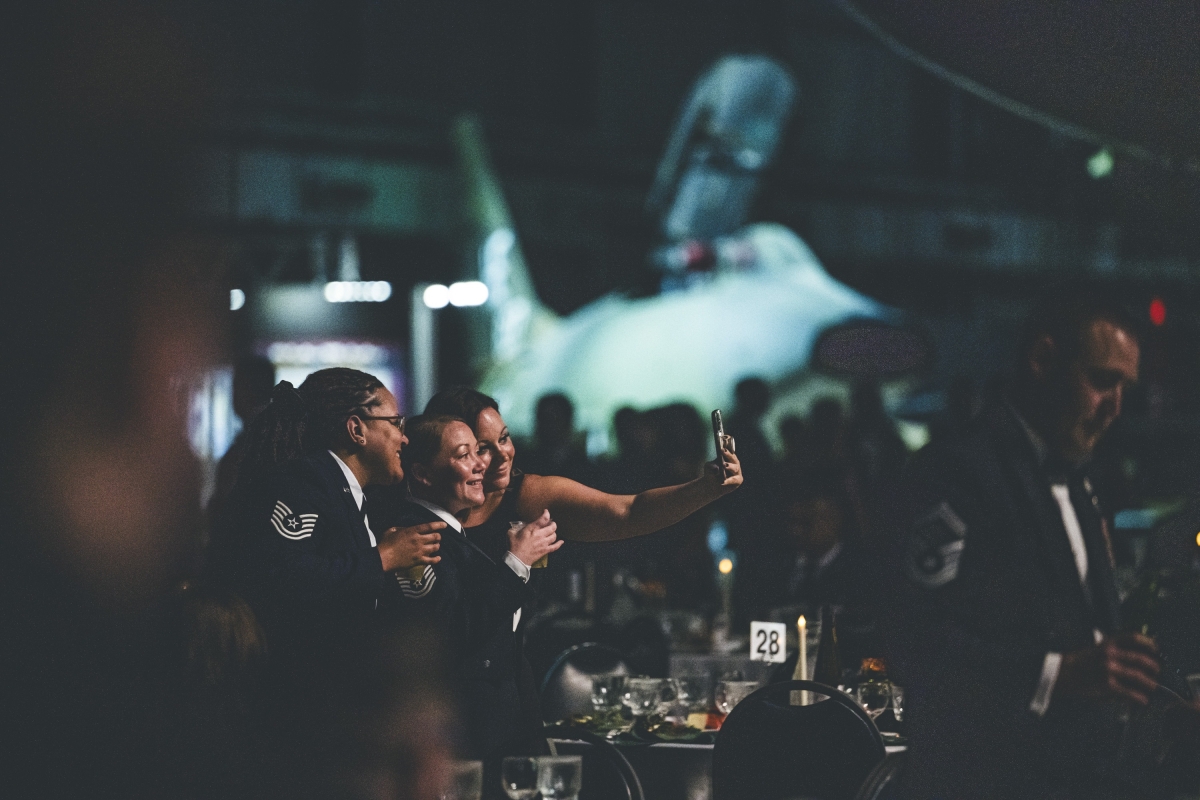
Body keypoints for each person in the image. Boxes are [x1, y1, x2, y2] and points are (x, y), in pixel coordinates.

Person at [882, 288, 1185, 799]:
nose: (1114, 407)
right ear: (1044, 360)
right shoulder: (955, 473)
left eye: (1124, 390)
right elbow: (913, 639)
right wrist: (1053, 674)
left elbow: (1079, 634)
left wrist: (1161, 707)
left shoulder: (1076, 479)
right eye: (1101, 380)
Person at [231, 369, 446, 707]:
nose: (405, 438)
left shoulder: (343, 490)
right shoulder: (303, 484)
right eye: (395, 423)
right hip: (303, 698)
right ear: (357, 429)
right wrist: (383, 558)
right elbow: (285, 575)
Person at [367, 414, 562, 763]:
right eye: (463, 455)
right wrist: (516, 562)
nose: (480, 466)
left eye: (478, 453)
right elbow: (448, 637)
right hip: (464, 736)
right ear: (422, 474)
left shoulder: (451, 533)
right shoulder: (417, 537)